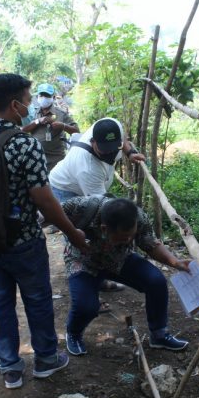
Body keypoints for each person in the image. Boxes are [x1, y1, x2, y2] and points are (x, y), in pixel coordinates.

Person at [0, 73, 88, 390]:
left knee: (0, 303)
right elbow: (45, 200)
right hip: (24, 241)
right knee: (38, 300)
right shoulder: (25, 144)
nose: (31, 107)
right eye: (28, 101)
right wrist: (72, 233)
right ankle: (45, 359)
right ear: (15, 105)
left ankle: (10, 367)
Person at [62, 196, 191, 355]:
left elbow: (150, 244)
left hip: (118, 259)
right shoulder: (83, 206)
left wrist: (174, 262)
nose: (129, 240)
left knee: (156, 281)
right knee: (86, 307)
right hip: (83, 262)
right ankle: (73, 334)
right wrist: (72, 233)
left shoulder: (139, 217)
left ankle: (159, 335)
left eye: (132, 235)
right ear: (104, 229)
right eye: (123, 238)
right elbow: (48, 211)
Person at [49, 117, 145, 293]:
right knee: (79, 236)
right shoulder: (87, 167)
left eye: (114, 148)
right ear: (93, 141)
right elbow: (102, 209)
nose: (110, 153)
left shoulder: (111, 124)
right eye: (104, 149)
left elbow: (123, 138)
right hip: (65, 188)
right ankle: (86, 283)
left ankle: (95, 278)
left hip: (84, 184)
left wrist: (130, 152)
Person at [20, 83, 79, 172]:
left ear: (53, 97)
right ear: (37, 97)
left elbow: (76, 131)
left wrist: (63, 126)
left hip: (56, 160)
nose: (44, 98)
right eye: (41, 95)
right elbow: (23, 130)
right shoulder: (32, 113)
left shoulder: (61, 114)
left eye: (47, 95)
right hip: (36, 158)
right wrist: (37, 122)